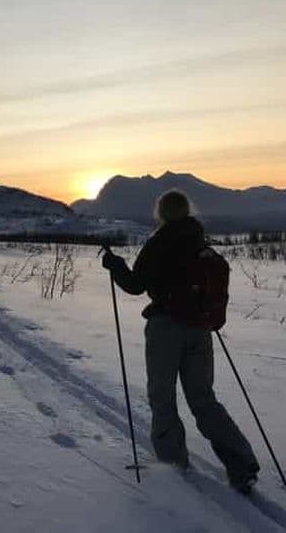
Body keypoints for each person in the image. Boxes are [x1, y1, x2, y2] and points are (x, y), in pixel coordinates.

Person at [101, 190, 260, 493]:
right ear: (187, 211)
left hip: (166, 329)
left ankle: (173, 464)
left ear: (160, 212)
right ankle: (241, 464)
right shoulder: (198, 239)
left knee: (162, 397)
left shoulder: (160, 242)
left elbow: (136, 285)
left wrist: (115, 265)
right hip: (200, 330)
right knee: (203, 399)